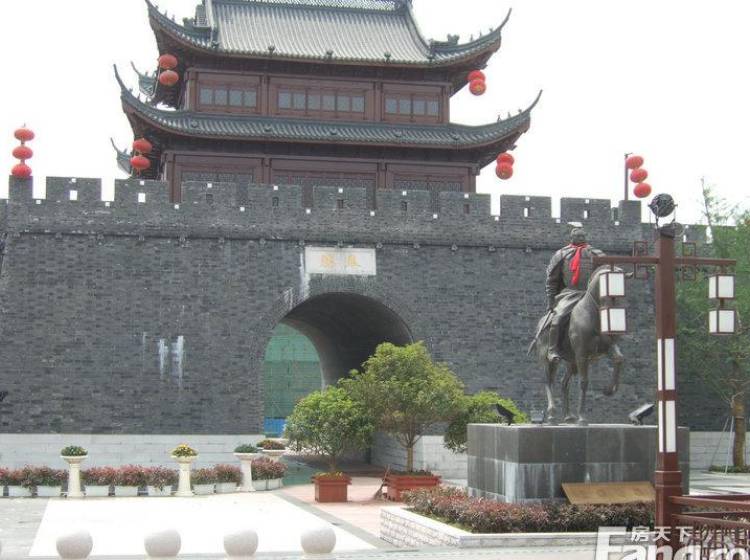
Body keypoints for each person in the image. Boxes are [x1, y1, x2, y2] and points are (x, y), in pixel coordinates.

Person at [544, 227, 605, 362]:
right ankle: (552, 349)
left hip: (591, 294)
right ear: (571, 238)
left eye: (583, 236)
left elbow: (607, 272)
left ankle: (606, 345)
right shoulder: (562, 254)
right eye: (578, 236)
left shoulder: (597, 254)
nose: (581, 238)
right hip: (570, 294)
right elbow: (552, 280)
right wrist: (550, 302)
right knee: (558, 319)